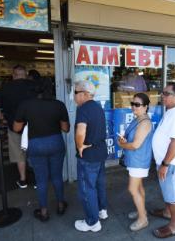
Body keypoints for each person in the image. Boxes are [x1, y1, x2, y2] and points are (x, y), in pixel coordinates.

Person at [13, 84, 70, 221]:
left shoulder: (25, 105)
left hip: (36, 145)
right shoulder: (59, 105)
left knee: (41, 179)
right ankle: (61, 205)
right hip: (55, 142)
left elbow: (16, 128)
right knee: (57, 176)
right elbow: (65, 128)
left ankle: (43, 211)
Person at [149, 83, 175, 238]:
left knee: (173, 195)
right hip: (166, 162)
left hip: (172, 163)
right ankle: (167, 212)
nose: (162, 95)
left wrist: (165, 164)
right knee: (167, 191)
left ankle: (174, 225)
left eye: (166, 93)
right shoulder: (171, 111)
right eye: (162, 92)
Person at [0, 65, 37, 188]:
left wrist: (2, 118)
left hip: (14, 126)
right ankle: (37, 179)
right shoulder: (34, 85)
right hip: (34, 126)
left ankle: (23, 180)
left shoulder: (5, 87)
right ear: (26, 74)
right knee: (34, 153)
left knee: (19, 154)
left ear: (13, 75)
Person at [73, 81, 108, 232]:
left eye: (75, 93)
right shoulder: (97, 106)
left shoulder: (83, 109)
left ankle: (92, 222)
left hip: (89, 154)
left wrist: (80, 145)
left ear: (83, 94)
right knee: (99, 183)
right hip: (100, 151)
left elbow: (81, 131)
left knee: (87, 188)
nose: (74, 97)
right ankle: (102, 211)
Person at [117, 93, 153, 231]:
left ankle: (143, 219)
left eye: (137, 104)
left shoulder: (144, 123)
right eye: (132, 104)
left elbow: (136, 145)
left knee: (132, 189)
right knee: (138, 188)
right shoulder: (138, 119)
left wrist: (122, 145)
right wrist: (124, 141)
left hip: (139, 161)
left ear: (145, 107)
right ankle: (141, 211)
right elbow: (132, 141)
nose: (134, 107)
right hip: (135, 160)